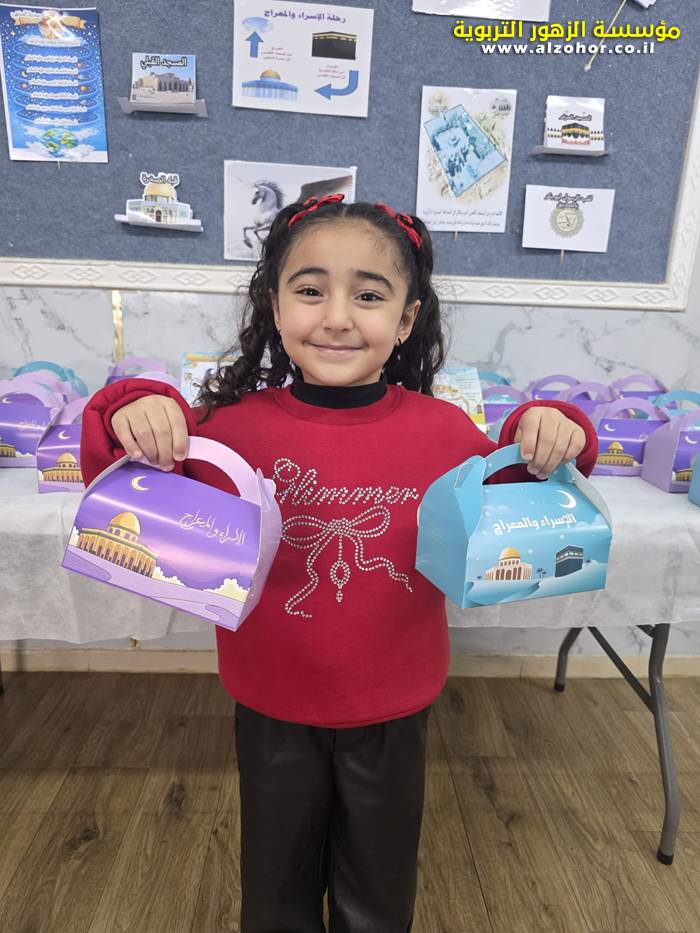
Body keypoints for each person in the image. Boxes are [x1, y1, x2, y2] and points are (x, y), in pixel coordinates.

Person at [80, 194, 598, 932]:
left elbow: (527, 479)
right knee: (275, 892)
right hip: (271, 704)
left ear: (407, 319)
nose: (336, 317)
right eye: (310, 289)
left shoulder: (444, 431)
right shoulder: (230, 431)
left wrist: (551, 426)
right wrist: (136, 405)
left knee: (379, 896)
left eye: (369, 295)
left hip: (394, 707)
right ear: (275, 304)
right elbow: (116, 469)